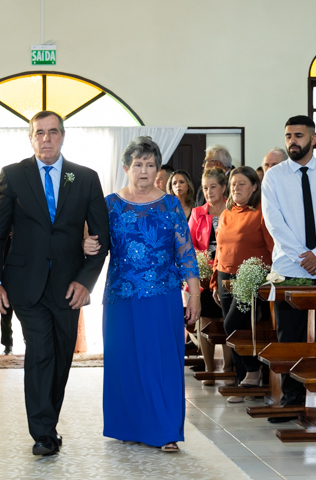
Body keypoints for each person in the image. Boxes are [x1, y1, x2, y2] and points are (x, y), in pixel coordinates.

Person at [0, 110, 109, 456]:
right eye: (39, 132)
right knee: (41, 351)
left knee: (62, 355)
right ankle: (42, 432)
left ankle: (48, 424)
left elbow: (101, 238)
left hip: (69, 286)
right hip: (26, 283)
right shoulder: (13, 175)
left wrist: (85, 281)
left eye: (53, 132)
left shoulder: (85, 178)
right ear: (31, 138)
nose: (46, 138)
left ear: (63, 136)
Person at [98, 136, 200, 452]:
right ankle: (129, 426)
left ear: (158, 169)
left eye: (150, 164)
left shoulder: (170, 205)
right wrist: (86, 244)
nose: (144, 170)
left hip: (162, 296)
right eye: (138, 164)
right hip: (120, 297)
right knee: (125, 362)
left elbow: (185, 252)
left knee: (162, 363)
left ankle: (166, 431)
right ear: (126, 167)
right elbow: (96, 244)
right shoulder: (110, 204)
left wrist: (194, 294)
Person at [262, 115, 316, 417]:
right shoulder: (274, 177)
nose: (292, 141)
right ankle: (292, 398)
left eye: (298, 136)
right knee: (290, 337)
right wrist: (304, 256)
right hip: (290, 268)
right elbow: (275, 223)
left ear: (313, 139)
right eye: (288, 136)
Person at [211, 167, 274, 402]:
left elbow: (272, 246)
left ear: (255, 186)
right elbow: (220, 248)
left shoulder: (261, 212)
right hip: (224, 276)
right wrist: (214, 282)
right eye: (233, 184)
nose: (236, 188)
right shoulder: (226, 213)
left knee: (233, 324)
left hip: (250, 277)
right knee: (233, 331)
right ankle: (243, 380)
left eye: (242, 184)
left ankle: (253, 370)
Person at [188, 168, 228, 386]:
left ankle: (228, 369)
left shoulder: (232, 210)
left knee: (226, 319)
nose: (209, 191)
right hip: (205, 272)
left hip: (226, 270)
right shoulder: (197, 213)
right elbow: (190, 243)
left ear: (223, 188)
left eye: (213, 187)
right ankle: (209, 368)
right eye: (205, 188)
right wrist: (203, 264)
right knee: (205, 319)